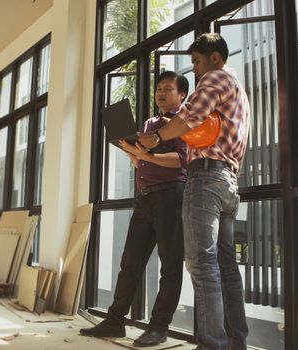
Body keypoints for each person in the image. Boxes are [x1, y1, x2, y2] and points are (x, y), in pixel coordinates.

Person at [138, 33, 250, 350]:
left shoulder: (216, 78)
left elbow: (188, 118)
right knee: (226, 266)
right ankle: (234, 343)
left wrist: (154, 139)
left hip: (206, 179)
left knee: (202, 265)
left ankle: (211, 344)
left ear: (215, 58)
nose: (196, 71)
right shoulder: (240, 91)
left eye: (197, 62)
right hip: (229, 182)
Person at [80, 71, 189, 347]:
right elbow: (142, 163)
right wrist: (131, 151)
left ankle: (158, 327)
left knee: (170, 264)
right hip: (144, 197)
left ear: (182, 95)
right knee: (130, 262)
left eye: (168, 88)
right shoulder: (150, 122)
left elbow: (181, 160)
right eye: (158, 89)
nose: (161, 93)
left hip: (170, 196)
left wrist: (146, 154)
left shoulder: (182, 121)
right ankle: (115, 320)